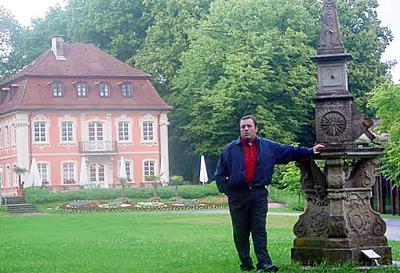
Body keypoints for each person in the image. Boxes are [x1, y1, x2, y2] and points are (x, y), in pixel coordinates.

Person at [214, 115, 324, 272]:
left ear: (256, 128)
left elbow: (290, 151)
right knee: (240, 231)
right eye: (243, 127)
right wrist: (229, 192)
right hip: (238, 196)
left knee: (259, 229)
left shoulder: (268, 147)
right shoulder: (229, 150)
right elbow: (219, 175)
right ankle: (245, 263)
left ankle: (264, 263)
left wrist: (311, 151)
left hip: (258, 194)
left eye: (249, 126)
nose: (245, 129)